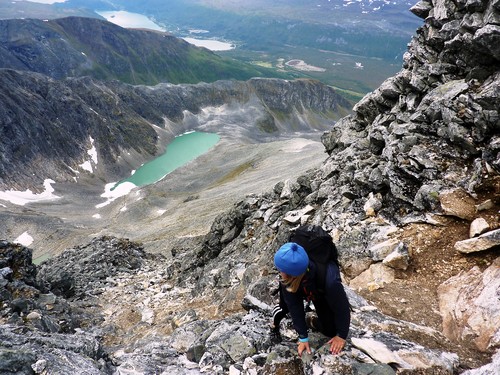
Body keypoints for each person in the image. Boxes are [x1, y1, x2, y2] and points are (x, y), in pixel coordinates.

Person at [272, 242, 350, 357]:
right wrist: (303, 337)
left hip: (318, 290)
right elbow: (295, 307)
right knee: (284, 308)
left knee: (330, 331)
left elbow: (342, 307)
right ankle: (274, 325)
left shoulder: (329, 281)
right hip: (302, 283)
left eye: (281, 270)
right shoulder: (287, 278)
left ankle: (311, 320)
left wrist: (341, 336)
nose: (279, 272)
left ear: (291, 274)